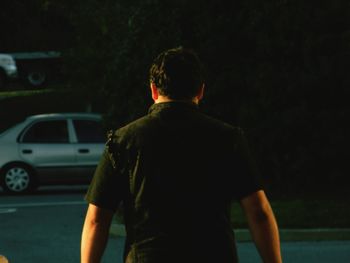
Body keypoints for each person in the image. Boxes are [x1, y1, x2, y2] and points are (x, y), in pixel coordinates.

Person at [81, 47, 282, 263]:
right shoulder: (228, 139)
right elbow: (258, 212)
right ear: (200, 91)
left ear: (153, 91)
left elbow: (97, 221)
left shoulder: (123, 141)